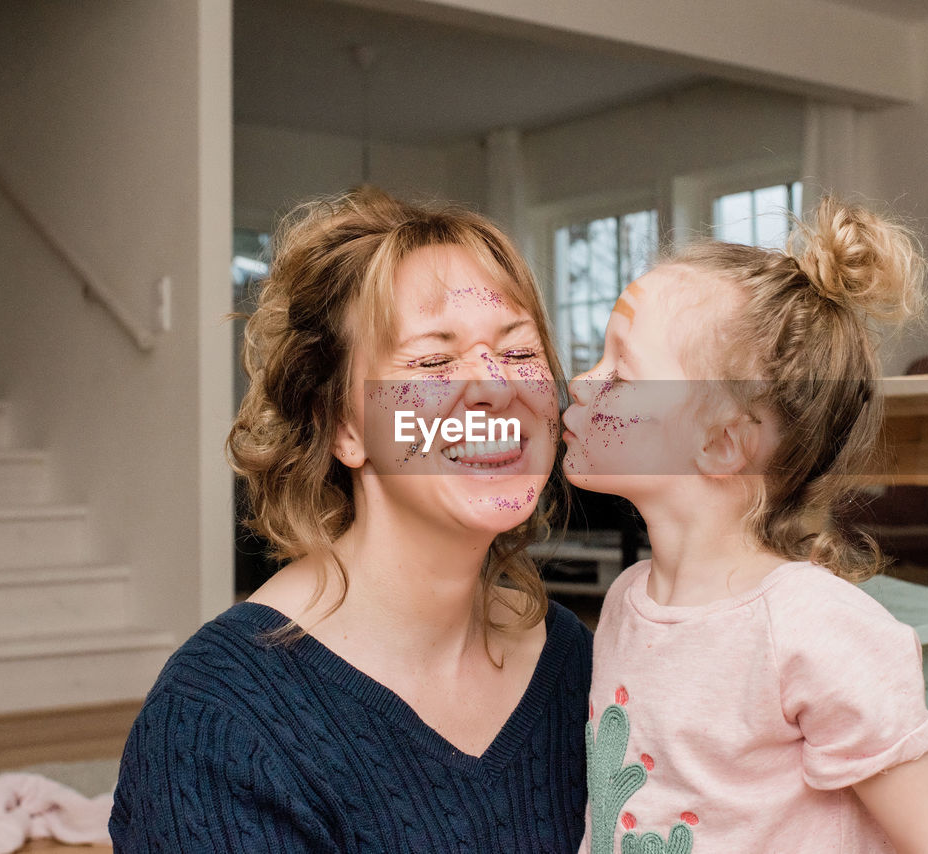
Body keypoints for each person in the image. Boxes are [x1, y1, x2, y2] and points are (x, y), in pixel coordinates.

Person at [110, 189, 593, 852]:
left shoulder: (575, 662)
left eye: (518, 354)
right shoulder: (216, 721)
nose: (496, 388)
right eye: (432, 361)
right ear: (344, 428)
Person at [562, 197, 928, 853]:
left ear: (723, 442)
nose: (584, 383)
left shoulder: (812, 627)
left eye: (622, 370)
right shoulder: (626, 603)